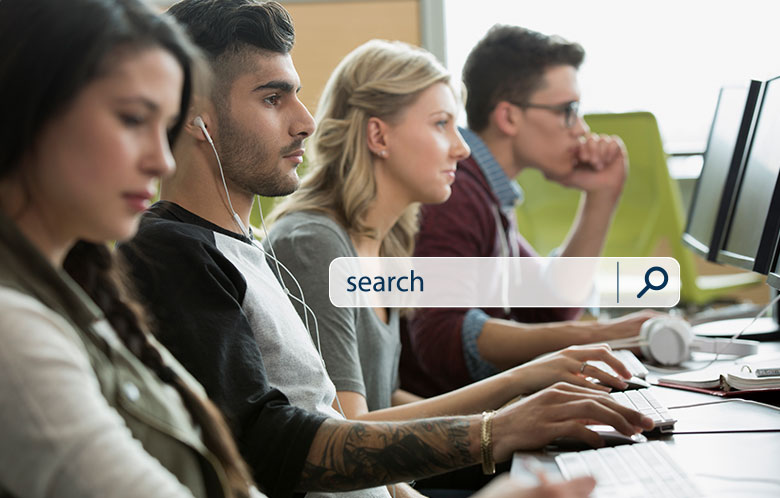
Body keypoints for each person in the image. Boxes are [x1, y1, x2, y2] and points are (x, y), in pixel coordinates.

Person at [118, 2, 653, 497]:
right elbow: (279, 443)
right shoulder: (197, 250)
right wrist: (502, 423)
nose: (305, 121)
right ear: (194, 115)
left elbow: (341, 409)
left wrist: (519, 417)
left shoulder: (252, 248)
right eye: (273, 97)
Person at [267, 40, 636, 422]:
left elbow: (382, 396)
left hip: (395, 475)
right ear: (378, 137)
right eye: (442, 124)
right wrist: (513, 400)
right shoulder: (317, 243)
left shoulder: (390, 242)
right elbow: (347, 434)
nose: (462, 148)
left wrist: (512, 417)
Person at [0, 0, 258, 496]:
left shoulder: (86, 293)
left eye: (165, 130)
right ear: (30, 107)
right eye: (133, 119)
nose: (162, 162)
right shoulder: (14, 326)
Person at [404, 25, 657, 397]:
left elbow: (548, 308)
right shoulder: (454, 193)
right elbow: (443, 336)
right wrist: (602, 336)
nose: (581, 128)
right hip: (443, 434)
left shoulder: (489, 193)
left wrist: (602, 196)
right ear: (509, 117)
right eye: (567, 110)